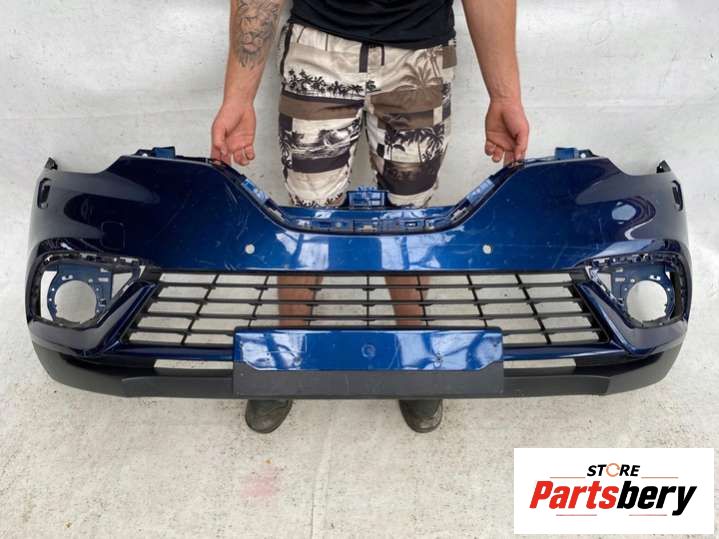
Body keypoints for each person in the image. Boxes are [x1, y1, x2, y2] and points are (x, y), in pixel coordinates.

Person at [212, 0, 530, 433]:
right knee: (305, 222)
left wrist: (506, 96)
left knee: (411, 221)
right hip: (319, 50)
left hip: (420, 58)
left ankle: (415, 352)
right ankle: (286, 350)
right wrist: (237, 96)